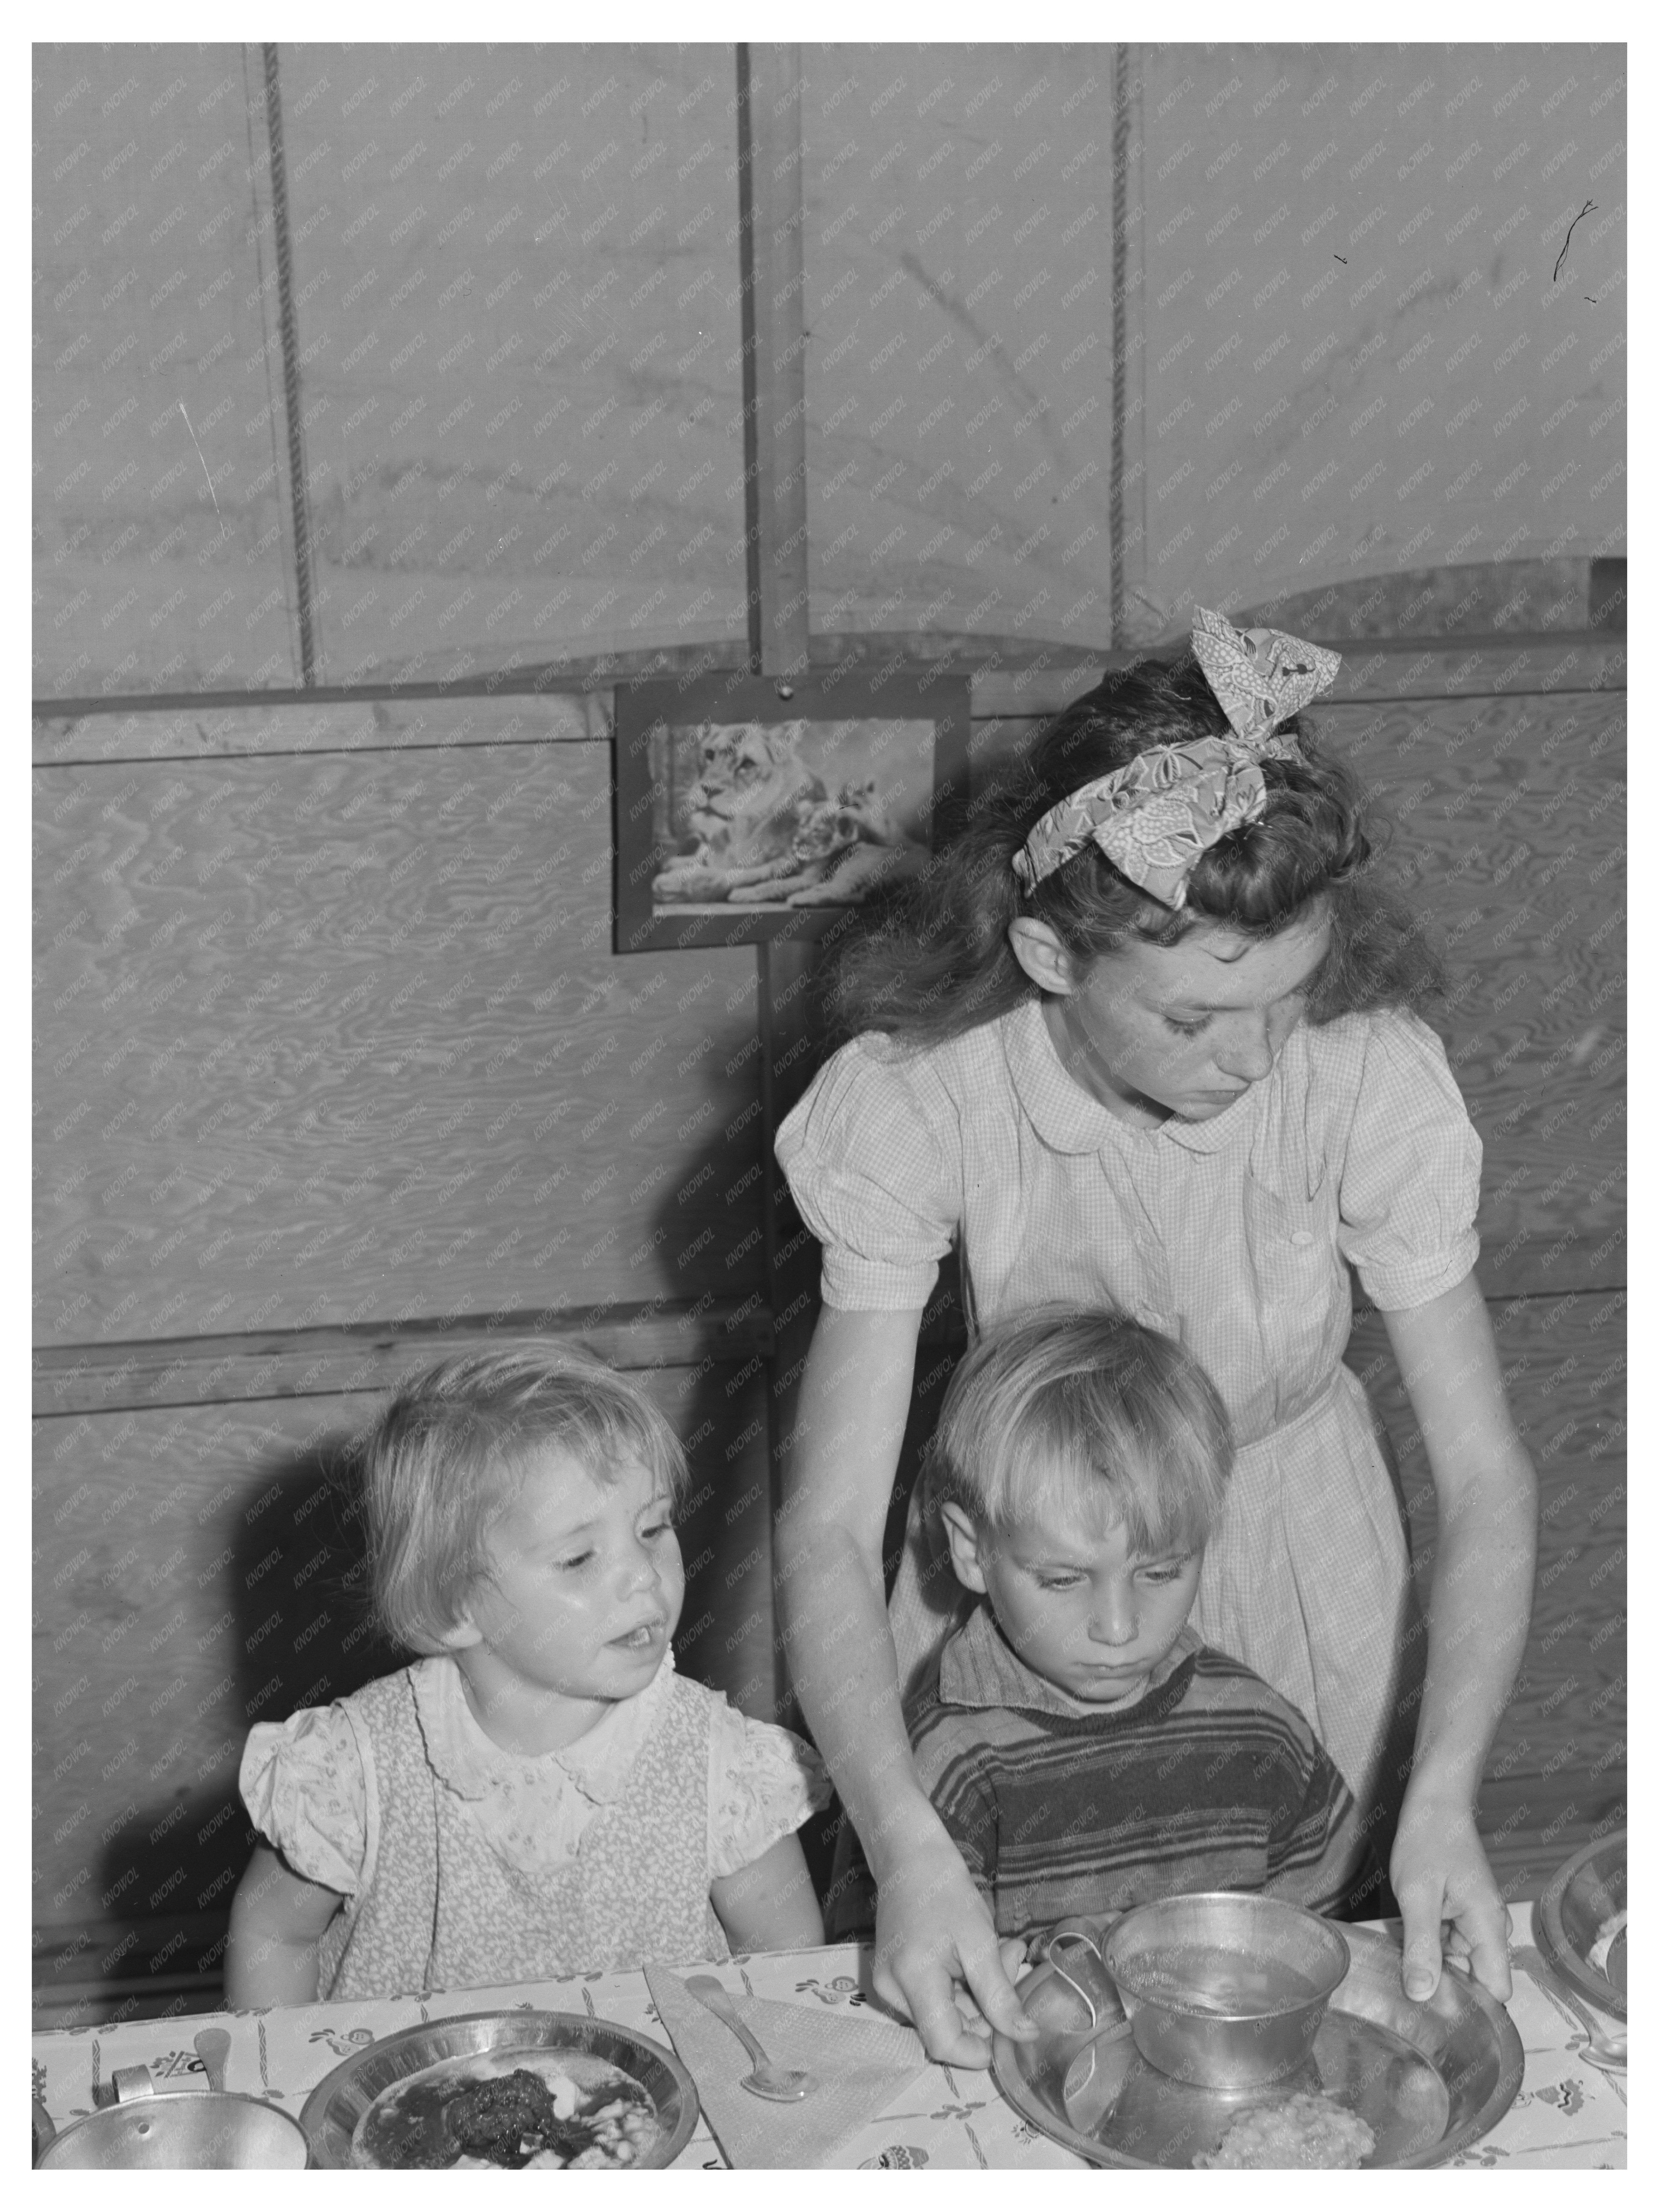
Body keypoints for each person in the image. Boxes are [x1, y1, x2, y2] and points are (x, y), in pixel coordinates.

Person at [774, 607, 1536, 2065]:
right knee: (999, 2011)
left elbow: (1489, 1476)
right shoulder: (923, 1097)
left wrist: (1445, 1788)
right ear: (1051, 961)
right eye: (1194, 1016)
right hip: (1031, 1557)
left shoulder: (1365, 1081)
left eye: (1286, 997)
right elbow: (823, 1524)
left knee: (1278, 2009)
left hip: (1292, 1543)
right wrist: (902, 1836)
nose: (1252, 1059)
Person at [225, 1348, 827, 2005]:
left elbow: (784, 1954)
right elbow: (275, 1931)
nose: (643, 1574)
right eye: (577, 1557)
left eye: (652, 1528)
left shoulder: (718, 1763)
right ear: (454, 1607)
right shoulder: (356, 1770)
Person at [907, 1306, 1377, 1940]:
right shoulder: (944, 1768)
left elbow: (1340, 1943)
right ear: (971, 1551)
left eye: (1159, 1573)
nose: (1120, 1627)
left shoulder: (1260, 1730)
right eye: (1063, 1579)